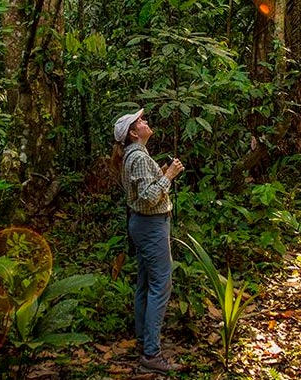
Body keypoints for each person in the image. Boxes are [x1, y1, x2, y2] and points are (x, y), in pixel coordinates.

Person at [111, 108, 185, 374]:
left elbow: (142, 190)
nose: (145, 122)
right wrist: (169, 176)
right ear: (133, 132)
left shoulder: (136, 155)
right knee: (160, 286)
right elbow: (147, 197)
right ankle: (152, 354)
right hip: (151, 225)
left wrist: (161, 173)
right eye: (140, 121)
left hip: (142, 225)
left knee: (145, 284)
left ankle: (144, 341)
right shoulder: (138, 157)